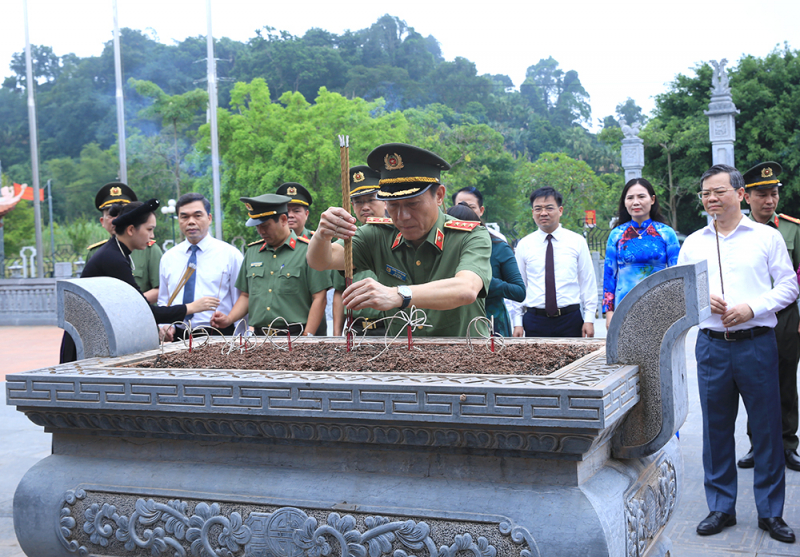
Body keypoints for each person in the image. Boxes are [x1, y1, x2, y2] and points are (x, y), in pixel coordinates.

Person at [678, 164, 798, 543]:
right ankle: (721, 507)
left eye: (719, 191)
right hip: (712, 347)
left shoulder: (766, 237)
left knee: (766, 430)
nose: (711, 199)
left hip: (758, 343)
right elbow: (681, 293)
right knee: (715, 431)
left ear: (741, 194)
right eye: (705, 194)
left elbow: (789, 287)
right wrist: (702, 300)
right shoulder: (694, 241)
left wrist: (753, 308)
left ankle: (771, 512)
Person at [307, 143, 492, 337]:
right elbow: (320, 261)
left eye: (413, 204)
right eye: (393, 205)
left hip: (465, 356)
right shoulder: (378, 234)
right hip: (402, 358)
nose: (402, 216)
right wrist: (322, 234)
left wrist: (397, 295)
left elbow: (466, 289)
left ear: (439, 195)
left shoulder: (470, 236)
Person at [60, 200, 220, 363]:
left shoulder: (116, 252)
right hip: (86, 346)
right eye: (149, 229)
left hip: (93, 341)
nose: (152, 236)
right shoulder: (113, 259)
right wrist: (191, 307)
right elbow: (143, 311)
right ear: (131, 230)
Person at [737, 162, 800, 472]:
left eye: (773, 194)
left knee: (786, 383)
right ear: (747, 197)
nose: (769, 201)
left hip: (787, 318)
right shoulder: (739, 233)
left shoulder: (792, 229)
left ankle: (789, 445)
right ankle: (757, 444)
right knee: (755, 384)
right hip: (753, 318)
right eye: (762, 195)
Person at [211, 194, 331, 336]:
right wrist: (229, 319)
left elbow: (319, 298)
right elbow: (246, 296)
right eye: (257, 226)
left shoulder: (308, 251)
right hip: (260, 337)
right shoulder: (253, 253)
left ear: (283, 220)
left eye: (266, 226)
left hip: (294, 336)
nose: (261, 231)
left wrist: (307, 336)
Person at [511, 187, 597, 338]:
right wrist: (517, 321)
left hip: (570, 319)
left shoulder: (577, 241)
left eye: (549, 208)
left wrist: (589, 319)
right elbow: (519, 285)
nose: (543, 213)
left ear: (560, 210)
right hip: (534, 320)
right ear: (532, 212)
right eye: (538, 209)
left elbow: (587, 281)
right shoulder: (524, 245)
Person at [157, 193, 244, 338]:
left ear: (209, 218)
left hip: (218, 334)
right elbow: (163, 299)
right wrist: (164, 325)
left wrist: (241, 338)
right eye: (184, 217)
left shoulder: (230, 255)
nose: (191, 222)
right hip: (179, 336)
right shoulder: (168, 258)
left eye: (197, 216)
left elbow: (240, 299)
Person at [603, 178, 680, 327]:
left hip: (658, 306)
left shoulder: (666, 233)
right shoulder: (617, 234)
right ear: (624, 202)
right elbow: (609, 275)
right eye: (630, 198)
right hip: (623, 306)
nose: (635, 202)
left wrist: (674, 310)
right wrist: (609, 312)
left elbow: (676, 274)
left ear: (652, 200)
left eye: (641, 196)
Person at [447, 199, 525, 337]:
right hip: (451, 321)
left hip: (491, 321)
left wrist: (483, 280)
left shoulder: (498, 247)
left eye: (461, 233)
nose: (455, 239)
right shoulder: (443, 249)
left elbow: (519, 291)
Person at [332, 166, 390, 336]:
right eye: (358, 201)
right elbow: (339, 291)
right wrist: (336, 335)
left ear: (385, 200)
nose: (365, 206)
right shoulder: (346, 243)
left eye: (371, 199)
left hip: (391, 328)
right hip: (356, 330)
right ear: (351, 205)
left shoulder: (401, 235)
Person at [87, 182, 162, 303]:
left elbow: (160, 289)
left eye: (122, 213)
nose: (118, 219)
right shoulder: (95, 253)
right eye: (112, 214)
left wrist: (131, 304)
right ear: (102, 221)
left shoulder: (150, 249)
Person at [275, 181, 329, 335]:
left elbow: (323, 295)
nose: (290, 215)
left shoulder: (319, 244)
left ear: (306, 214)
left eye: (296, 210)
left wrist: (307, 336)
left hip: (311, 332)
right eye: (285, 210)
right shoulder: (269, 248)